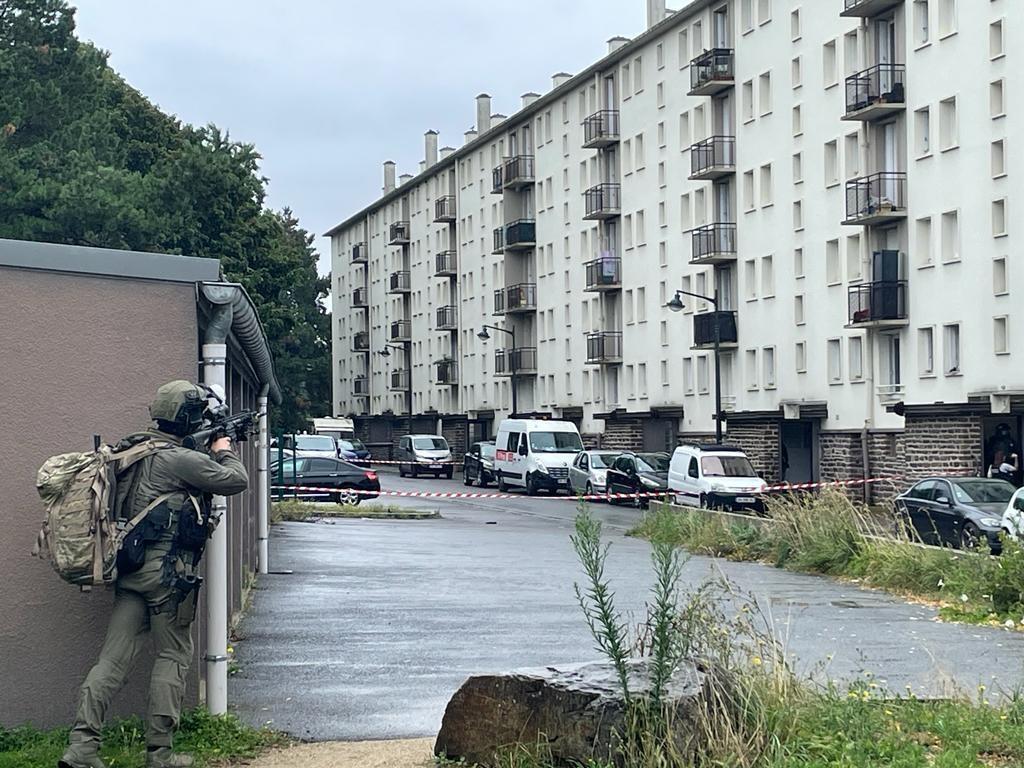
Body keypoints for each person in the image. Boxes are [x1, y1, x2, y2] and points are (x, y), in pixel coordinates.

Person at [60, 381, 249, 768]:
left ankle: (81, 748)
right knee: (174, 654)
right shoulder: (177, 459)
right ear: (188, 418)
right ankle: (159, 755)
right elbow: (236, 480)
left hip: (128, 572)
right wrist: (224, 448)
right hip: (166, 576)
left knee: (111, 661)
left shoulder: (133, 449)